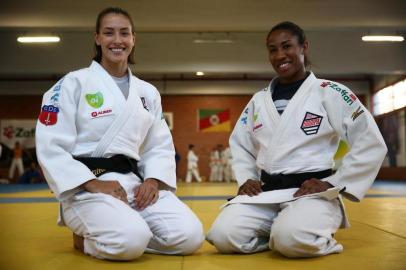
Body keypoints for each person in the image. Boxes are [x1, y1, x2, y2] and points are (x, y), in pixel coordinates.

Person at [36, 7, 203, 261]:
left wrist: (153, 181)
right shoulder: (72, 83)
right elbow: (51, 145)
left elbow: (158, 145)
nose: (117, 40)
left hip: (134, 184)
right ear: (97, 38)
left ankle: (126, 228)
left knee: (190, 237)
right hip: (86, 188)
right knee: (130, 241)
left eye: (124, 33)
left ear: (133, 39)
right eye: (109, 33)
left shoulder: (148, 93)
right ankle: (87, 241)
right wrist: (94, 184)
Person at [207, 21, 387, 258]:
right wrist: (248, 177)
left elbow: (370, 140)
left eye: (287, 46)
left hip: (312, 192)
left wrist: (334, 182)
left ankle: (300, 232)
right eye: (273, 49)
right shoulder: (259, 100)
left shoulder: (329, 92)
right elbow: (240, 143)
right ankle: (281, 230)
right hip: (267, 192)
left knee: (292, 241)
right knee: (222, 236)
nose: (280, 55)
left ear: (303, 47)